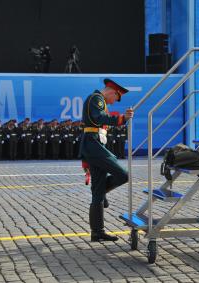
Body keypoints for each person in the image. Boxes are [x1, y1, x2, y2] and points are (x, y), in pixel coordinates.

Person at [79, 78, 134, 242]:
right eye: (114, 99)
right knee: (123, 175)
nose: (112, 103)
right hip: (93, 144)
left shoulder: (97, 99)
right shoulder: (97, 99)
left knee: (97, 192)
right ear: (112, 91)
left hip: (95, 144)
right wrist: (122, 119)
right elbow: (100, 117)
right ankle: (103, 193)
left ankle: (97, 232)